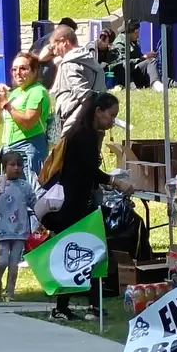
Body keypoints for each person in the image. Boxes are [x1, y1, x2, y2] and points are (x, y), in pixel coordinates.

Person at [41, 92, 131, 321]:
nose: (112, 121)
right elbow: (89, 170)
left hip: (77, 202)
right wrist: (116, 182)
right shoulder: (84, 136)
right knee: (91, 252)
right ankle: (80, 306)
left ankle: (87, 305)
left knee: (87, 253)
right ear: (98, 111)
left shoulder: (83, 134)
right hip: (75, 205)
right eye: (111, 115)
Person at [0, 52, 52, 181]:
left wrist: (6, 104)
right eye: (14, 69)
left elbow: (28, 122)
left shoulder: (37, 91)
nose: (17, 73)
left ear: (35, 71)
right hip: (11, 150)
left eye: (23, 68)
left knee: (32, 192)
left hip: (29, 149)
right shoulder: (16, 93)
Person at [0, 150, 34, 302]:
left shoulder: (25, 186)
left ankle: (9, 292)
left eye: (19, 165)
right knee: (2, 261)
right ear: (4, 167)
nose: (16, 168)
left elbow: (34, 202)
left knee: (14, 264)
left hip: (20, 231)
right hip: (2, 230)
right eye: (12, 165)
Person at [46, 23, 104, 142]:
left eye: (54, 47)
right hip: (95, 125)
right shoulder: (92, 61)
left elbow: (85, 96)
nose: (55, 52)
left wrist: (68, 128)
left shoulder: (70, 64)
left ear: (63, 41)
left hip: (74, 127)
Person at [110, 24, 152, 89]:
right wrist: (143, 58)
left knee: (151, 62)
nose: (138, 35)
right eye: (136, 33)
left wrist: (146, 57)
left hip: (134, 70)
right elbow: (123, 63)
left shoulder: (134, 41)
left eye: (138, 32)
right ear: (129, 32)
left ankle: (165, 83)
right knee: (148, 62)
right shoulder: (120, 43)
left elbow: (139, 56)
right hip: (124, 74)